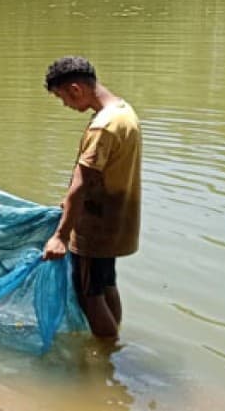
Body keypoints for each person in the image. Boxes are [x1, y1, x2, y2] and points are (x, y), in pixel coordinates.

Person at [41, 56, 142, 340]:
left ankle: (106, 355)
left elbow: (81, 183)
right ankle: (115, 338)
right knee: (106, 284)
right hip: (117, 222)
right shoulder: (123, 113)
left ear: (76, 89)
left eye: (63, 98)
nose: (66, 105)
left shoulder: (103, 127)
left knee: (89, 294)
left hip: (95, 227)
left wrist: (61, 235)